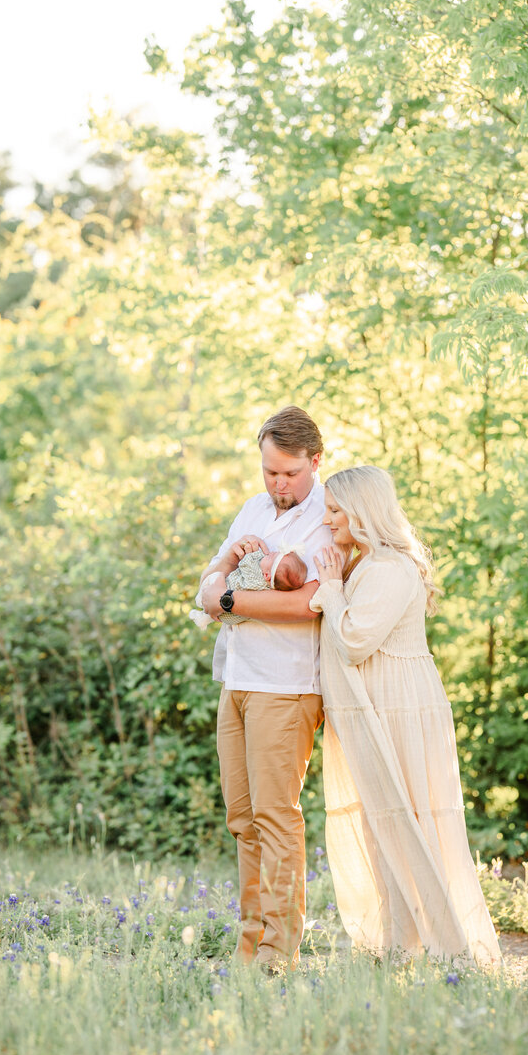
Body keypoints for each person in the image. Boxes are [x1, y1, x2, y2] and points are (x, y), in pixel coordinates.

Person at [309, 466, 501, 966]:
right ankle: (399, 942)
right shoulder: (371, 565)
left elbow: (353, 641)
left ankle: (446, 944)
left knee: (407, 817)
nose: (327, 520)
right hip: (379, 701)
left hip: (399, 703)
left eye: (335, 510)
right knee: (384, 819)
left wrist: (330, 585)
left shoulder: (391, 569)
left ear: (362, 512)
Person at [199, 406, 330, 971]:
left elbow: (306, 603)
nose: (279, 485)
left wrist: (230, 599)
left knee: (277, 818)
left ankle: (280, 951)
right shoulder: (252, 508)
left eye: (289, 473)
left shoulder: (330, 514)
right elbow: (207, 581)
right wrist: (230, 570)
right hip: (238, 679)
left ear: (315, 462)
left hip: (288, 685)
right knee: (242, 818)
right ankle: (248, 946)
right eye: (270, 472)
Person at [189, 547, 308, 630]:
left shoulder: (256, 577)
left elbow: (244, 564)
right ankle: (204, 617)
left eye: (271, 558)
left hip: (227, 609)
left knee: (218, 575)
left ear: (267, 575)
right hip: (232, 618)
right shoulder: (268, 587)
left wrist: (255, 553)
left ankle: (202, 602)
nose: (271, 553)